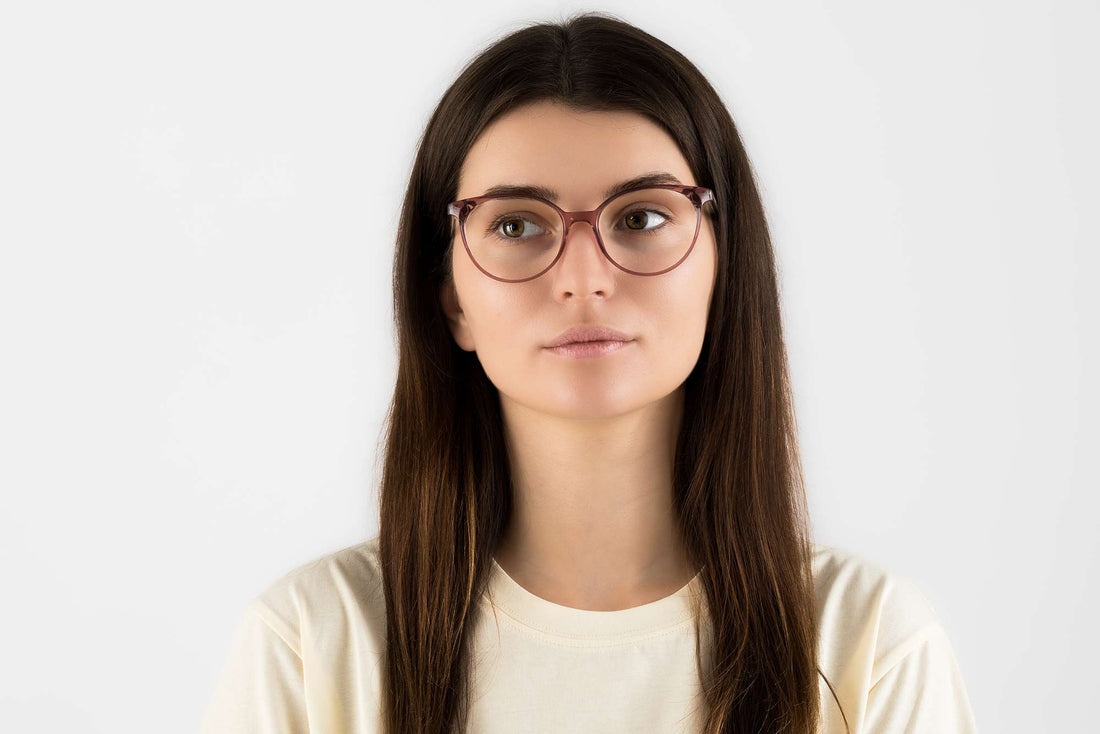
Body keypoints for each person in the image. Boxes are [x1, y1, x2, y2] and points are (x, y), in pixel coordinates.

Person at [198, 12, 978, 734]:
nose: (584, 278)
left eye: (640, 217)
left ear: (725, 267)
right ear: (450, 300)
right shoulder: (311, 640)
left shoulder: (868, 642)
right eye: (515, 225)